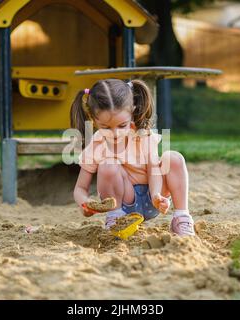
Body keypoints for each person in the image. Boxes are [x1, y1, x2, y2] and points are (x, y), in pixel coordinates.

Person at [70, 79, 194, 236]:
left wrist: (156, 195)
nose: (115, 133)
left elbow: (153, 169)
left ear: (132, 112)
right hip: (123, 203)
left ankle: (181, 217)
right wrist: (85, 204)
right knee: (108, 164)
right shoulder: (97, 144)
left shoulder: (142, 134)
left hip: (152, 199)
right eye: (106, 127)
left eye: (122, 125)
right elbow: (80, 188)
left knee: (174, 158)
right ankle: (115, 220)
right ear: (93, 120)